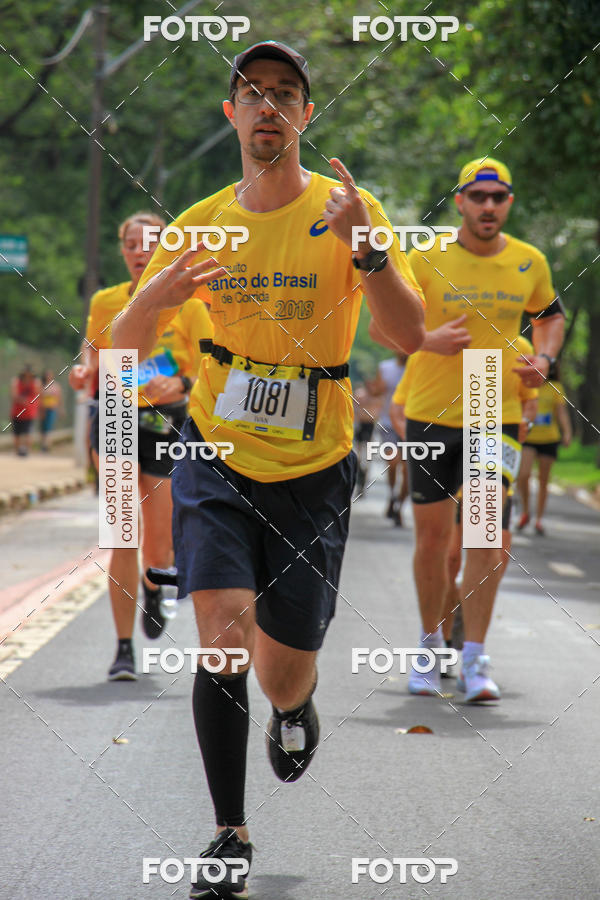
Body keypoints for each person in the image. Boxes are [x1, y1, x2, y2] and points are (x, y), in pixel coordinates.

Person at [113, 40, 425, 899]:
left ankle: (292, 707)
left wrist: (368, 254)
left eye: (285, 94)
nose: (268, 107)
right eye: (252, 94)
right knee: (219, 638)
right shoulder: (204, 220)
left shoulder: (351, 211)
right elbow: (122, 351)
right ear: (232, 115)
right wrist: (153, 296)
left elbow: (406, 334)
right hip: (214, 450)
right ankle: (227, 833)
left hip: (316, 464)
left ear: (306, 115)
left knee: (284, 663)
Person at [371, 157, 565, 702]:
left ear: (508, 203)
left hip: (491, 404)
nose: (487, 206)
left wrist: (545, 359)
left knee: (486, 540)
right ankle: (431, 647)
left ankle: (476, 657)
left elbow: (550, 314)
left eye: (497, 197)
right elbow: (381, 324)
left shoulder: (529, 261)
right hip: (432, 406)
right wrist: (426, 340)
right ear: (459, 201)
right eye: (477, 197)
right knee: (433, 539)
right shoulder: (426, 255)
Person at [69, 212, 212, 680]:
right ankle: (123, 648)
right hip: (113, 415)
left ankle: (155, 585)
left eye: (150, 242)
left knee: (160, 542)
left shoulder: (190, 304)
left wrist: (184, 381)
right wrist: (86, 369)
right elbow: (94, 351)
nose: (140, 251)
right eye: (131, 243)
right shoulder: (106, 301)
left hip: (167, 422)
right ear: (123, 250)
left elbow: (214, 363)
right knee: (120, 533)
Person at [517, 360, 572, 535]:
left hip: (549, 439)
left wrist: (567, 432)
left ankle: (539, 519)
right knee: (523, 475)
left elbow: (561, 412)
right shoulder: (526, 384)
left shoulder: (556, 387)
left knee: (543, 480)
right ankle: (526, 511)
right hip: (528, 437)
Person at [372, 352, 408, 523]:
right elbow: (376, 391)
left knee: (408, 471)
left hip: (412, 425)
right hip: (388, 423)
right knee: (393, 461)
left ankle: (399, 505)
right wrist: (376, 388)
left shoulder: (417, 366)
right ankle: (393, 495)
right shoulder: (385, 367)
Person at [353, 375, 384, 495]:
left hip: (371, 427)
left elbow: (379, 412)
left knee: (367, 458)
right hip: (360, 426)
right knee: (360, 456)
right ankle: (360, 477)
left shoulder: (377, 398)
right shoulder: (360, 395)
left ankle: (363, 481)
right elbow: (355, 408)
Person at [10, 365, 41, 456]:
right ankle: (17, 452)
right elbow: (14, 395)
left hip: (29, 412)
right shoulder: (16, 382)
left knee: (28, 432)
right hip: (17, 411)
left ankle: (28, 452)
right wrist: (22, 400)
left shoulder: (35, 383)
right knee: (17, 433)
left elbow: (37, 396)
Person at [39, 370, 65, 451]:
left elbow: (59, 398)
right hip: (43, 408)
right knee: (43, 428)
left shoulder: (56, 386)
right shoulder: (41, 385)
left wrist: (61, 409)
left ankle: (47, 445)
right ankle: (43, 443)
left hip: (52, 408)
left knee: (49, 427)